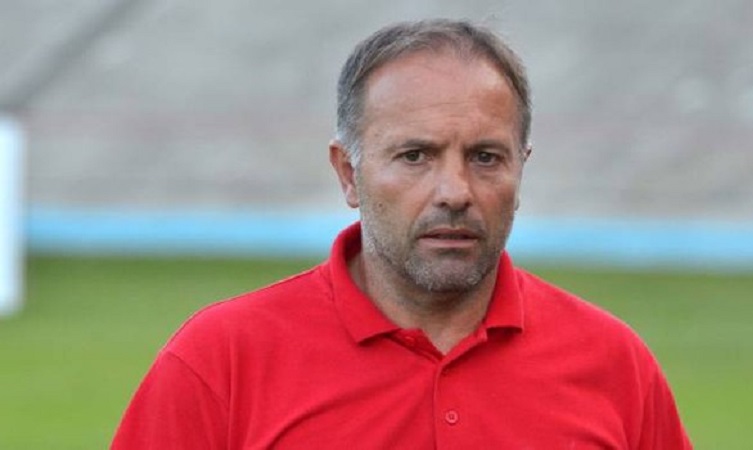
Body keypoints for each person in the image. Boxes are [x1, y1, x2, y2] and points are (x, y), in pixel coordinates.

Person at [112, 19, 692, 449]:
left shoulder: (613, 365)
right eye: (415, 156)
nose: (455, 191)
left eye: (486, 157)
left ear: (522, 169)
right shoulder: (221, 362)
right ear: (349, 173)